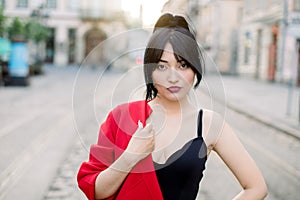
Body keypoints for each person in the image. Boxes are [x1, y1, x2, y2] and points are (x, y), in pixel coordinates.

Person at [77, 13, 268, 200]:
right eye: (162, 66)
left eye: (183, 65)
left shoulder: (209, 124)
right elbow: (96, 191)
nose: (173, 77)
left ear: (195, 68)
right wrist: (130, 157)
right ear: (150, 70)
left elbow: (257, 188)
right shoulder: (121, 117)